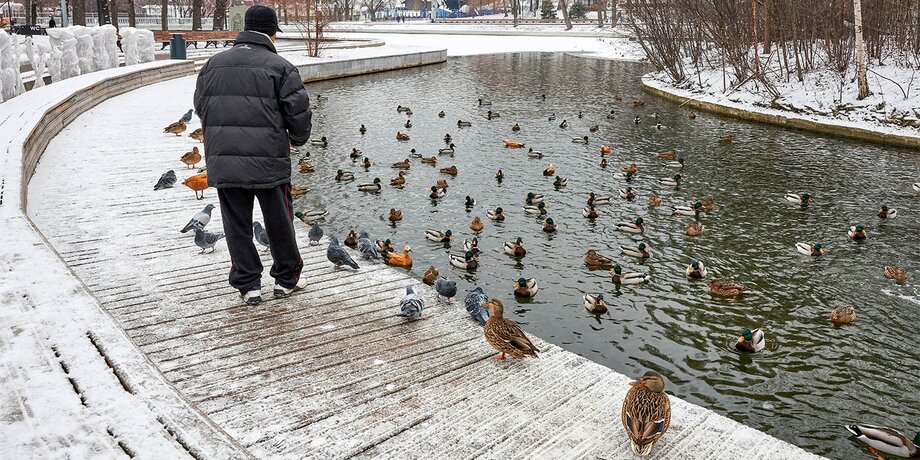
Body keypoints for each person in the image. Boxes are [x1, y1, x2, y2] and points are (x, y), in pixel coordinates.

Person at [193, 5, 312, 306]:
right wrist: (296, 140)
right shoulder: (281, 67)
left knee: (237, 225)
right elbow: (298, 113)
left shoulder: (212, 65)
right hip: (268, 161)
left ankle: (249, 286)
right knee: (279, 222)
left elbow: (201, 107)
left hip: (225, 160)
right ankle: (286, 280)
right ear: (272, 33)